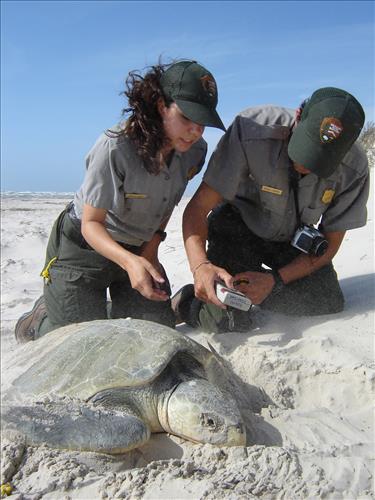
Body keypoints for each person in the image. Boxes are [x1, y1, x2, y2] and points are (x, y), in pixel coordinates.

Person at [15, 59, 226, 343]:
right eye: (187, 117)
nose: (196, 131)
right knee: (79, 341)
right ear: (162, 105)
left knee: (155, 334)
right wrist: (129, 262)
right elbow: (91, 224)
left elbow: (167, 202)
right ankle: (41, 318)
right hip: (84, 247)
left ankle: (153, 306)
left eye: (203, 122)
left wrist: (150, 251)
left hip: (139, 245)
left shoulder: (195, 151)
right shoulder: (115, 147)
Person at [173, 87, 369, 333]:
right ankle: (186, 302)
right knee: (226, 322)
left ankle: (253, 292)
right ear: (299, 116)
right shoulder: (250, 130)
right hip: (238, 229)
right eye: (305, 147)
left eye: (321, 160)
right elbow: (197, 209)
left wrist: (274, 281)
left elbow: (330, 244)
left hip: (292, 238)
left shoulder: (355, 168)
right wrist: (200, 267)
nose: (306, 164)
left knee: (327, 301)